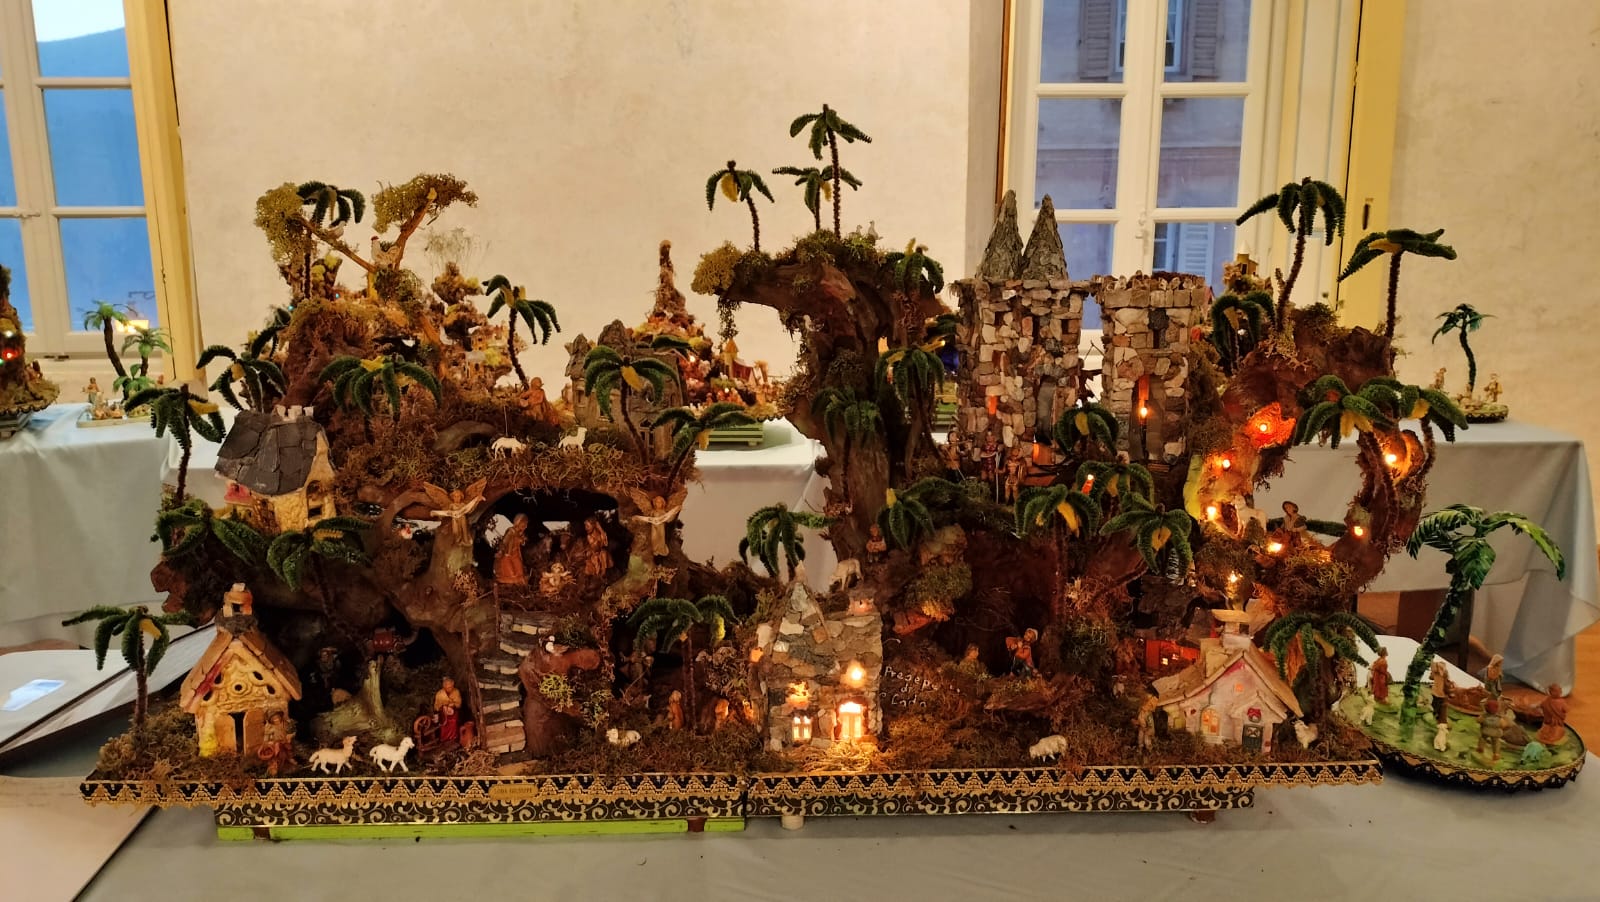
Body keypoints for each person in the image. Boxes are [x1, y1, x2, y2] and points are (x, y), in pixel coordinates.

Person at [494, 514, 531, 586]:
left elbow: (523, 543)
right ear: (518, 523)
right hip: (508, 555)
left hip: (516, 555)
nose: (526, 527)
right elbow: (504, 542)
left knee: (520, 572)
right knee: (512, 574)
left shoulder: (521, 533)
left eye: (526, 524)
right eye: (524, 524)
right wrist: (501, 551)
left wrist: (523, 540)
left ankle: (520, 584)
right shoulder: (511, 531)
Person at [435, 677, 463, 743]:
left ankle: (453, 738)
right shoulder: (440, 693)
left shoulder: (456, 691)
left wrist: (452, 705)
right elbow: (436, 706)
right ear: (444, 686)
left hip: (453, 712)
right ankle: (444, 739)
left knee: (454, 721)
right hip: (443, 713)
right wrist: (443, 707)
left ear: (453, 685)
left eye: (450, 687)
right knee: (444, 723)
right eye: (447, 687)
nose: (449, 689)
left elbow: (459, 704)